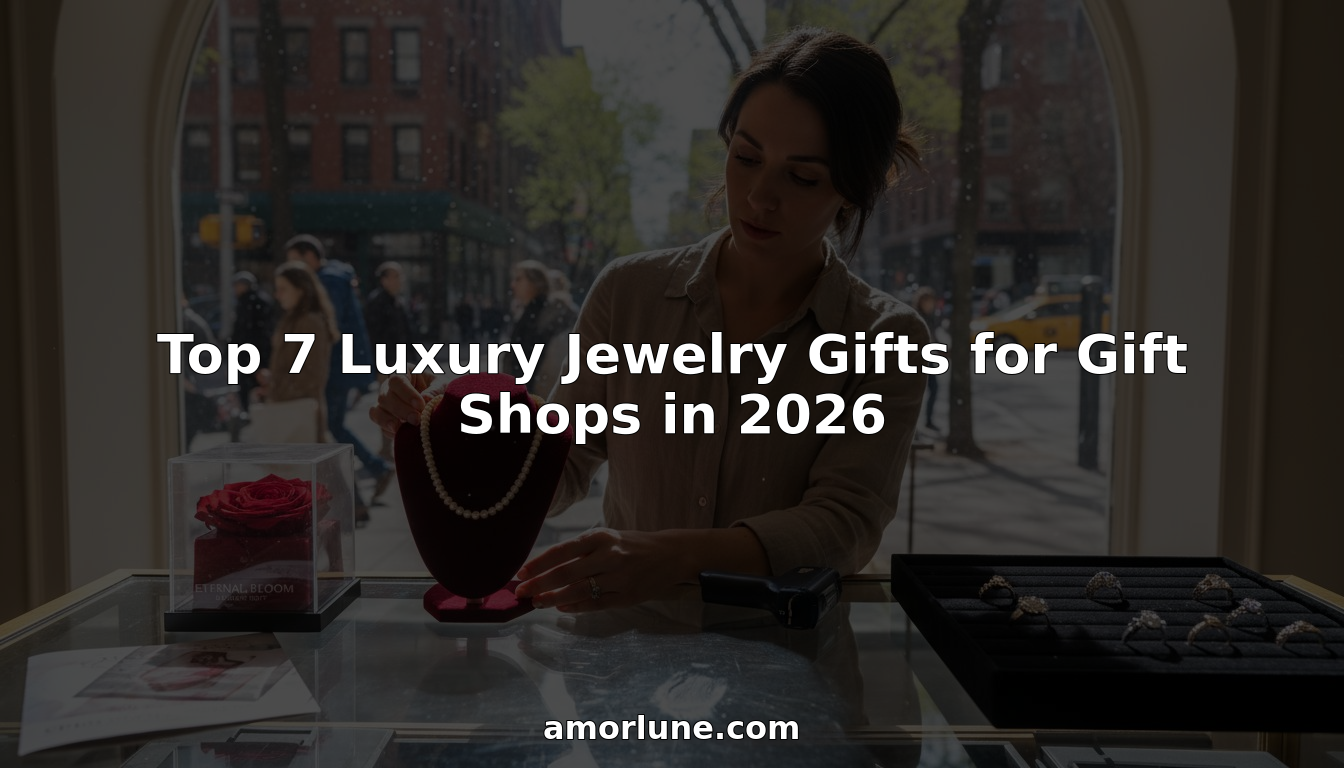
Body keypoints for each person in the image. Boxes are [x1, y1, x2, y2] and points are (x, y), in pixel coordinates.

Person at [372, 28, 927, 612]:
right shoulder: (627, 294)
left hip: (784, 656)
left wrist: (678, 558)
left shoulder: (885, 338)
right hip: (626, 658)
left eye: (803, 176)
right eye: (746, 157)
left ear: (853, 190)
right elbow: (557, 470)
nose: (760, 195)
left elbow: (846, 525)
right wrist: (435, 428)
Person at [285, 234, 394, 507]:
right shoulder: (334, 277)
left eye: (296, 262)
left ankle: (371, 476)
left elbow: (326, 329)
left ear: (310, 256)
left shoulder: (328, 281)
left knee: (330, 426)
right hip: (341, 366)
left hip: (336, 368)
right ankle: (361, 489)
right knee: (330, 426)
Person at [252, 261, 337, 441]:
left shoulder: (309, 322)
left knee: (299, 466)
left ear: (301, 290)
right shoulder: (291, 320)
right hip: (291, 412)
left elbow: (311, 376)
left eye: (283, 289)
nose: (277, 295)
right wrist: (273, 380)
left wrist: (276, 387)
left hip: (298, 414)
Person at [365, 261, 415, 458]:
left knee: (402, 403)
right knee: (390, 404)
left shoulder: (396, 301)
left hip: (400, 361)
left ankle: (394, 447)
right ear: (384, 279)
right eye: (396, 276)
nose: (400, 281)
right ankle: (388, 448)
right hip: (387, 362)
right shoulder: (378, 302)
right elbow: (375, 336)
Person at [508, 260, 578, 396]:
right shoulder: (528, 313)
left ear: (535, 283)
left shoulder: (546, 315)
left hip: (539, 397)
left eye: (519, 279)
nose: (513, 285)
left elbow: (551, 364)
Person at [229, 271, 275, 413]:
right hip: (259, 351)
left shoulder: (247, 303)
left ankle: (250, 413)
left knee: (248, 386)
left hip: (249, 352)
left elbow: (243, 330)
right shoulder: (261, 301)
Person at [915, 286, 941, 431]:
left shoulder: (930, 318)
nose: (930, 305)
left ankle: (928, 420)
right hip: (918, 360)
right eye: (928, 302)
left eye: (932, 302)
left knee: (933, 389)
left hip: (927, 359)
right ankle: (916, 425)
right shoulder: (917, 317)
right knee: (918, 392)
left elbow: (933, 337)